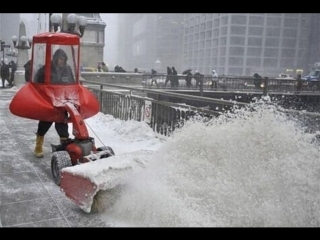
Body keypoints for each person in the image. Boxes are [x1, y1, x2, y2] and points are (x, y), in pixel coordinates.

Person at [33, 48, 74, 158]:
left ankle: (64, 148)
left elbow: (72, 83)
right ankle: (38, 146)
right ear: (56, 58)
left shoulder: (67, 69)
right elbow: (36, 81)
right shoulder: (46, 68)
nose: (63, 61)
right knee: (44, 125)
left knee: (62, 127)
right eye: (61, 58)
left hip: (61, 103)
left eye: (64, 59)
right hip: (48, 102)